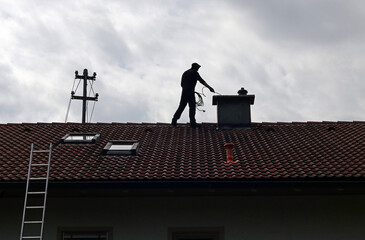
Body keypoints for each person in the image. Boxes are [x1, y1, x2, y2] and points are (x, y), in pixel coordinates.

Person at [172, 63, 215, 128]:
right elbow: (201, 81)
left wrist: (186, 88)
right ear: (195, 67)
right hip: (190, 92)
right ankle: (192, 123)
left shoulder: (185, 73)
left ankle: (174, 121)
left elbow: (181, 84)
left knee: (181, 106)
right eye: (198, 68)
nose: (198, 69)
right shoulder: (194, 72)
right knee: (192, 107)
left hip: (184, 92)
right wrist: (210, 88)